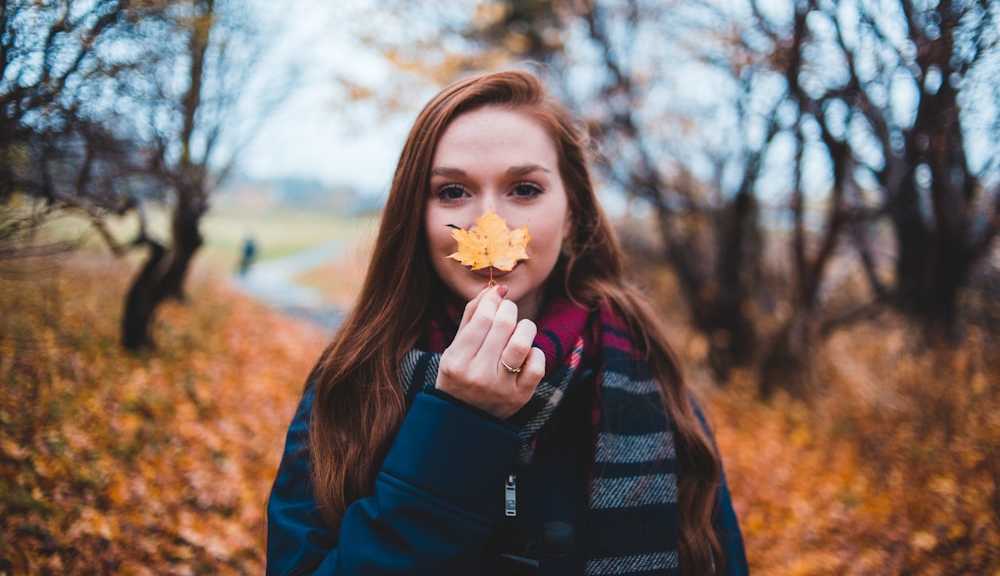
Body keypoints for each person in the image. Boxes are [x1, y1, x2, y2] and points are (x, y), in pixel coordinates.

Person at [267, 70, 748, 575]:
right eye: (453, 191)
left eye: (524, 188)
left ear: (571, 212)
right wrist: (455, 427)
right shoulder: (350, 385)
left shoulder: (650, 378)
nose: (488, 222)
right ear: (415, 214)